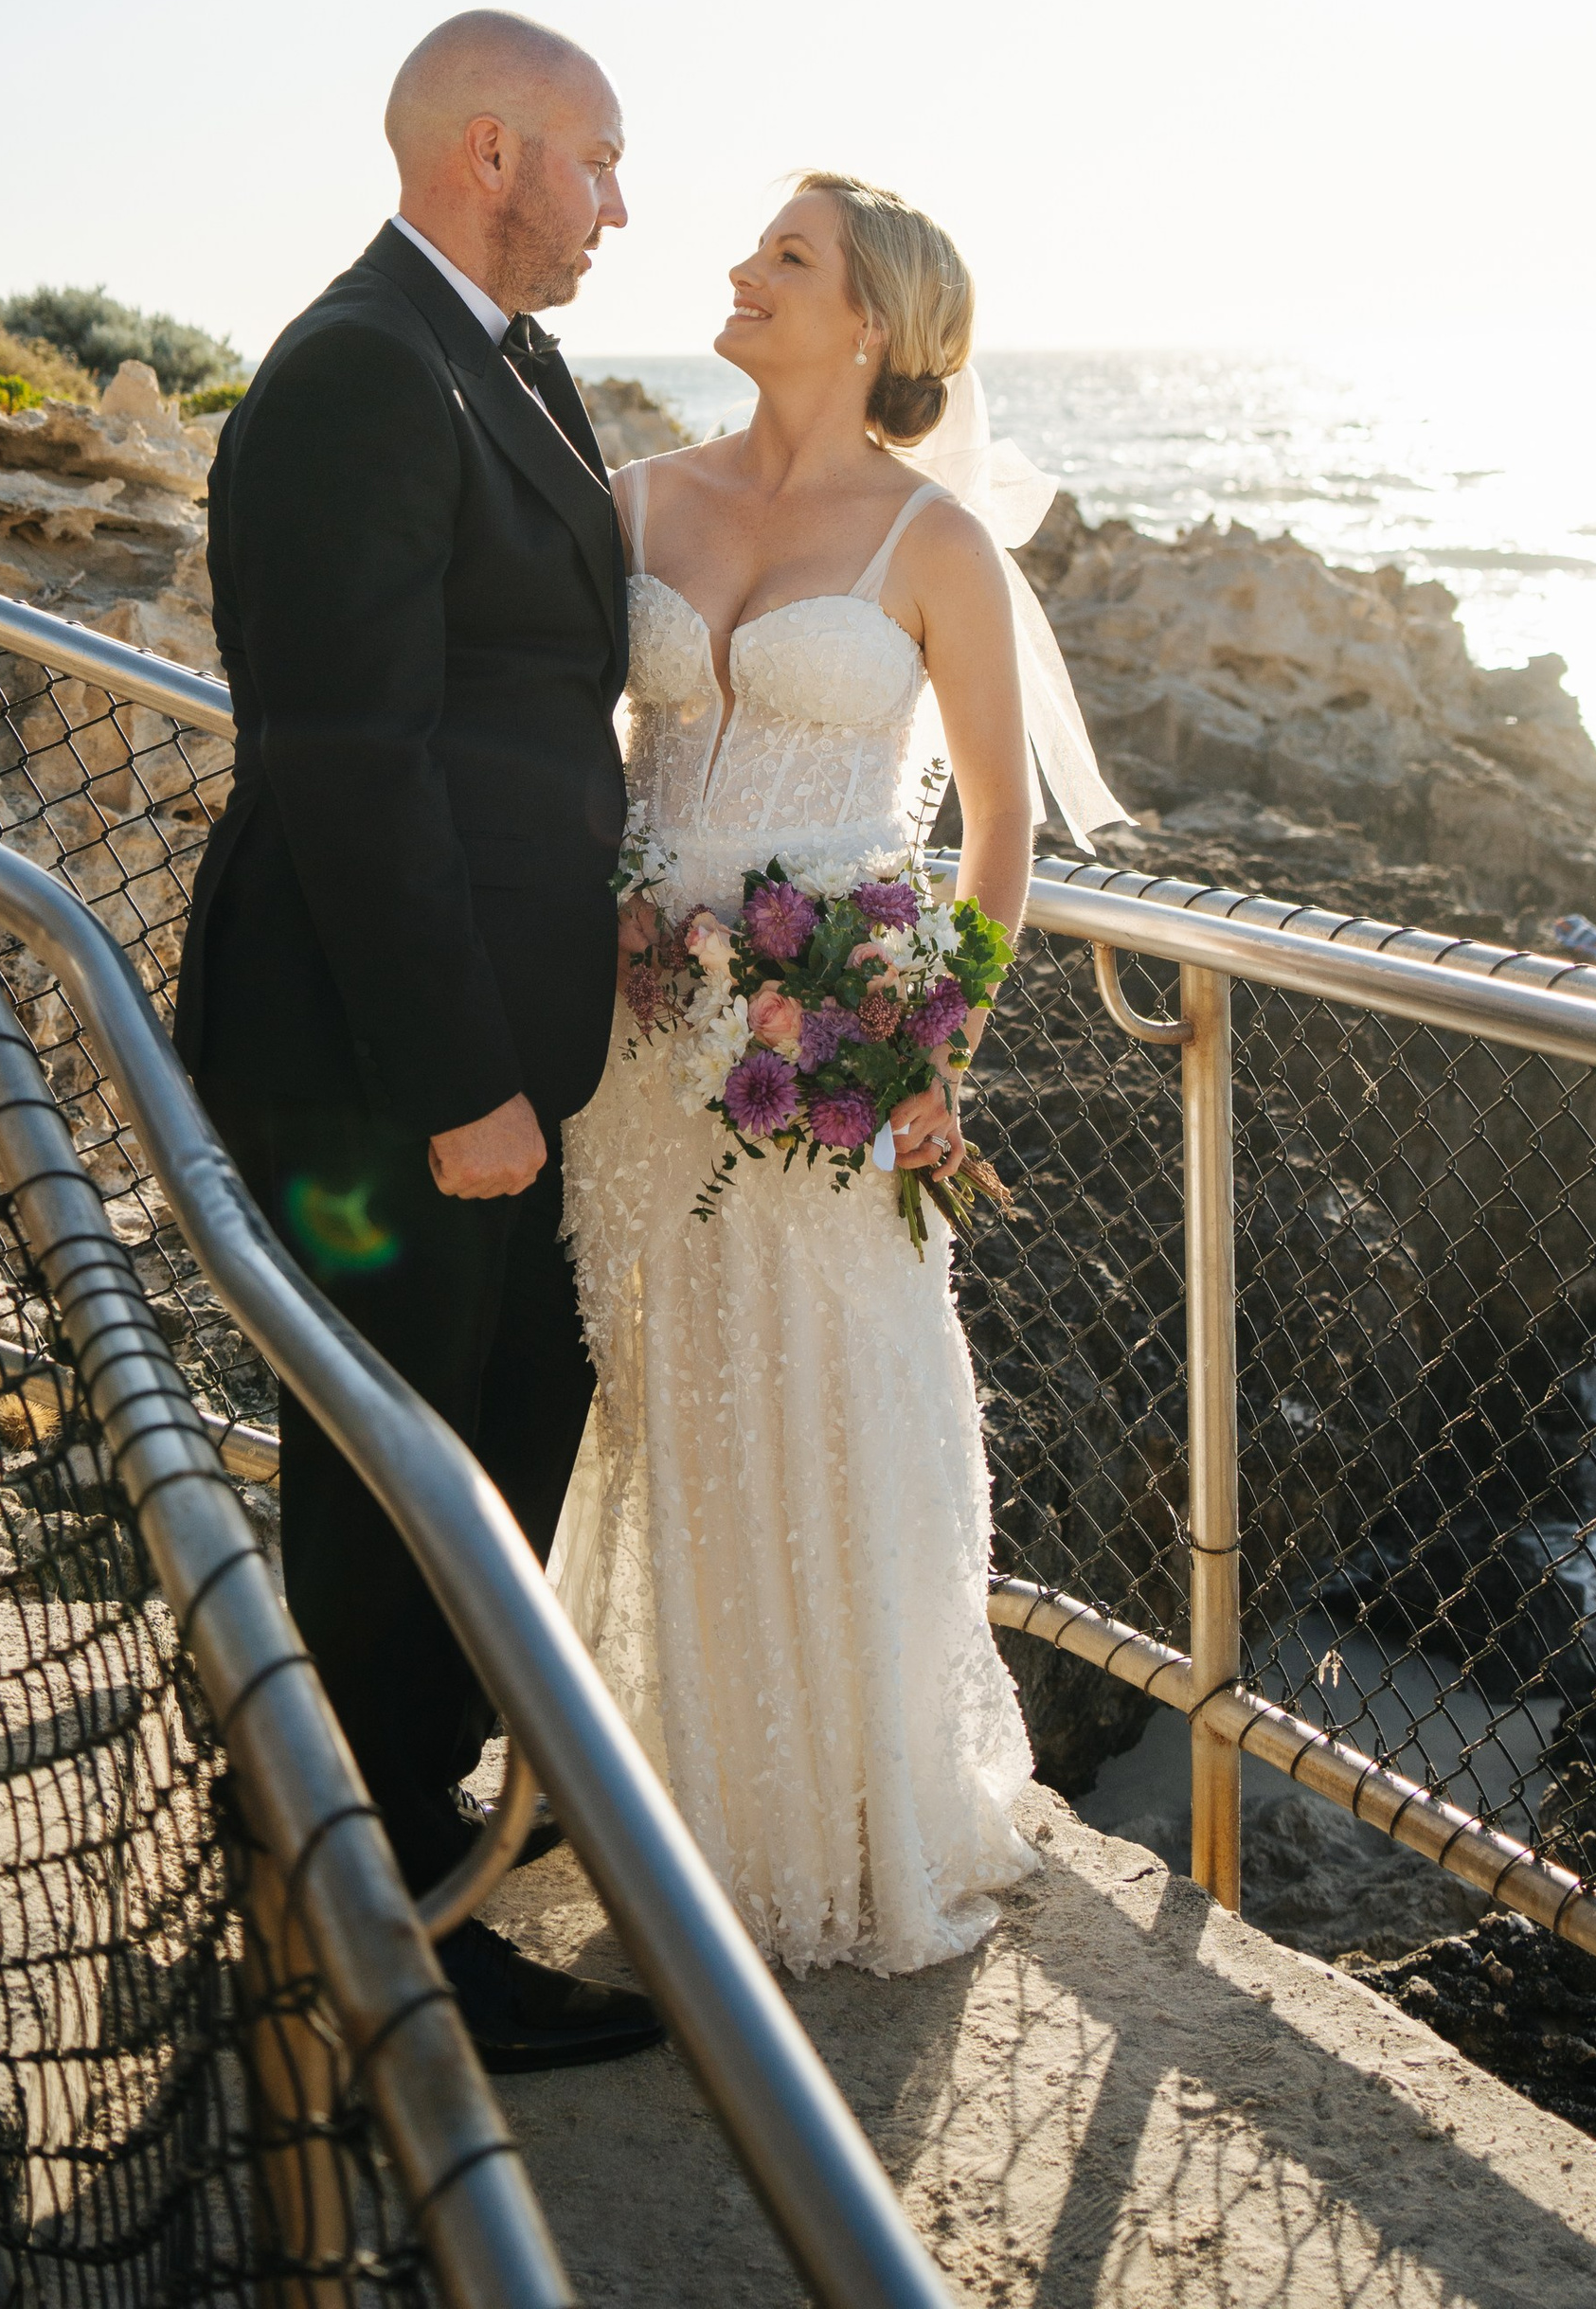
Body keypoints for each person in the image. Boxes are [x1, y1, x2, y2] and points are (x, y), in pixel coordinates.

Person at [556, 172, 1123, 1973]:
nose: (738, 268)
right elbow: (561, 755)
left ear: (869, 318)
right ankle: (679, 1798)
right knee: (656, 1402)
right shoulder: (632, 499)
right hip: (632, 1052)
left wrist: (932, 1042)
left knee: (829, 1396)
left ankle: (846, 1819)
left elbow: (1003, 835)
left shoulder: (933, 545)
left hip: (831, 1059)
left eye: (782, 256)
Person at [174, 9, 662, 2074]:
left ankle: (342, 1824)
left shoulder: (493, 357)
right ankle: (391, 1939)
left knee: (490, 1437)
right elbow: (348, 756)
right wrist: (466, 1083)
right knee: (397, 1485)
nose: (621, 206)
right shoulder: (366, 371)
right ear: (492, 150)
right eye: (600, 162)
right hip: (382, 1066)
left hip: (477, 1051)